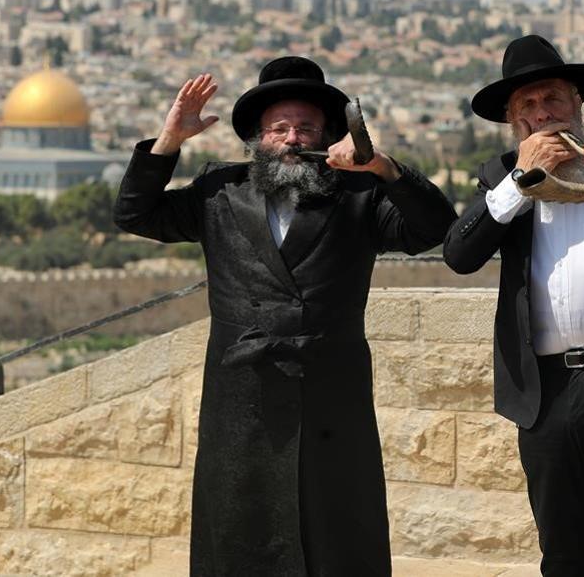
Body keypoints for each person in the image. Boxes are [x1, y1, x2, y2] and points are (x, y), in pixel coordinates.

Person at [113, 56, 457, 576]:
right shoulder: (218, 192)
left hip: (331, 400)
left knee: (339, 537)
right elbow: (135, 214)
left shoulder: (358, 196)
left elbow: (434, 229)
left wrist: (383, 166)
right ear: (257, 138)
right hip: (242, 403)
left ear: (327, 136)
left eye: (306, 128)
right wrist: (169, 141)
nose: (293, 139)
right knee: (239, 538)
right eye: (279, 128)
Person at [442, 35, 584, 577]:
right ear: (511, 121)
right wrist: (522, 183)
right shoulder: (502, 178)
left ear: (577, 105)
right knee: (563, 552)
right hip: (542, 391)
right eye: (527, 106)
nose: (542, 115)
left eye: (553, 100)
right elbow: (459, 253)